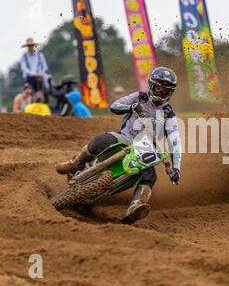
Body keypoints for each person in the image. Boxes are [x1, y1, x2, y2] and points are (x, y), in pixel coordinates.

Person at [55, 67, 182, 224]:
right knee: (101, 140)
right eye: (158, 87)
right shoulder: (139, 97)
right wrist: (131, 107)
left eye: (165, 90)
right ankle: (75, 163)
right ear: (151, 85)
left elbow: (175, 140)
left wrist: (176, 167)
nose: (161, 92)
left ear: (170, 93)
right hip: (124, 138)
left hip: (144, 150)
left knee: (151, 175)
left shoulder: (169, 114)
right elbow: (114, 105)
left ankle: (136, 205)